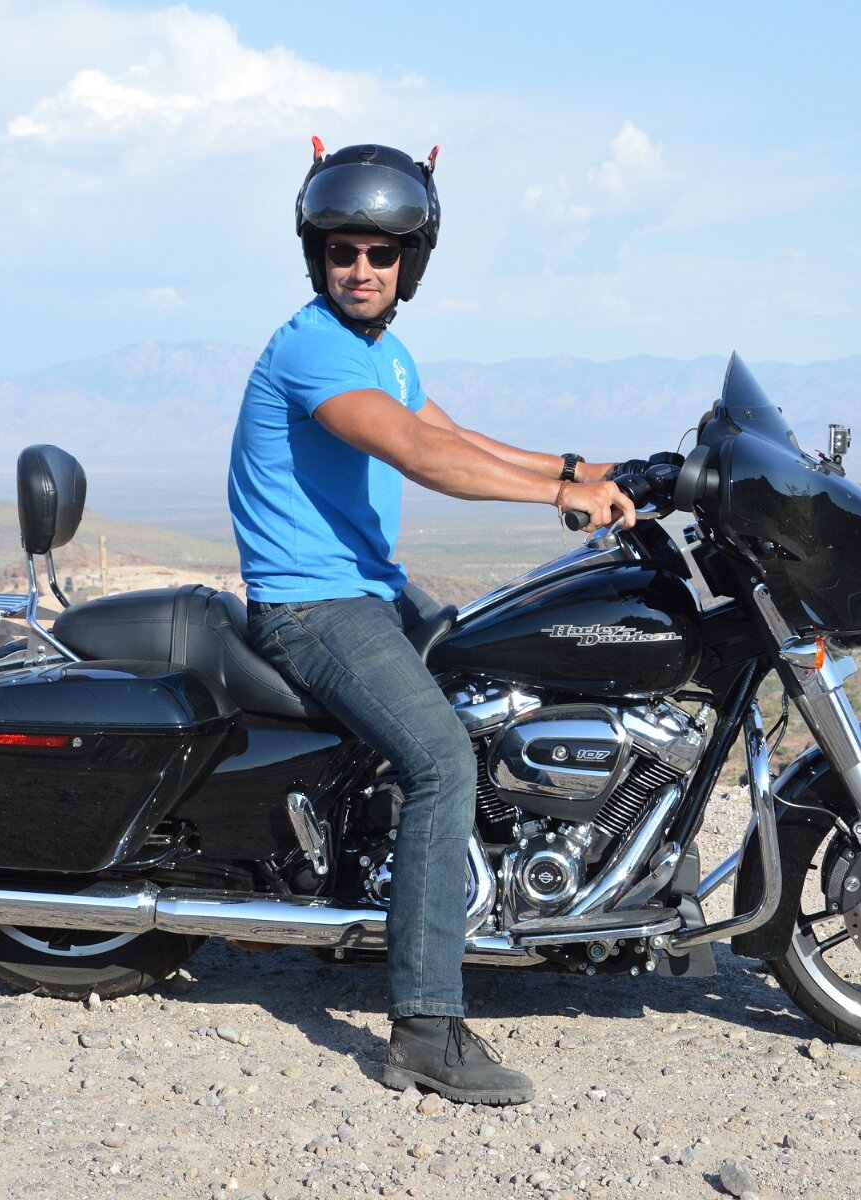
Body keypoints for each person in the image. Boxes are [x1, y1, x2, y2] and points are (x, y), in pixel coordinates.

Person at [227, 141, 635, 1104]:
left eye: (381, 253)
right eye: (342, 252)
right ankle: (423, 1030)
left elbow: (453, 432)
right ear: (317, 256)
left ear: (410, 260)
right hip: (312, 606)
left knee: (504, 686)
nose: (360, 269)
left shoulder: (381, 350)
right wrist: (560, 496)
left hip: (370, 590)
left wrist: (584, 468)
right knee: (441, 762)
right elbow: (420, 456)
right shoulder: (314, 348)